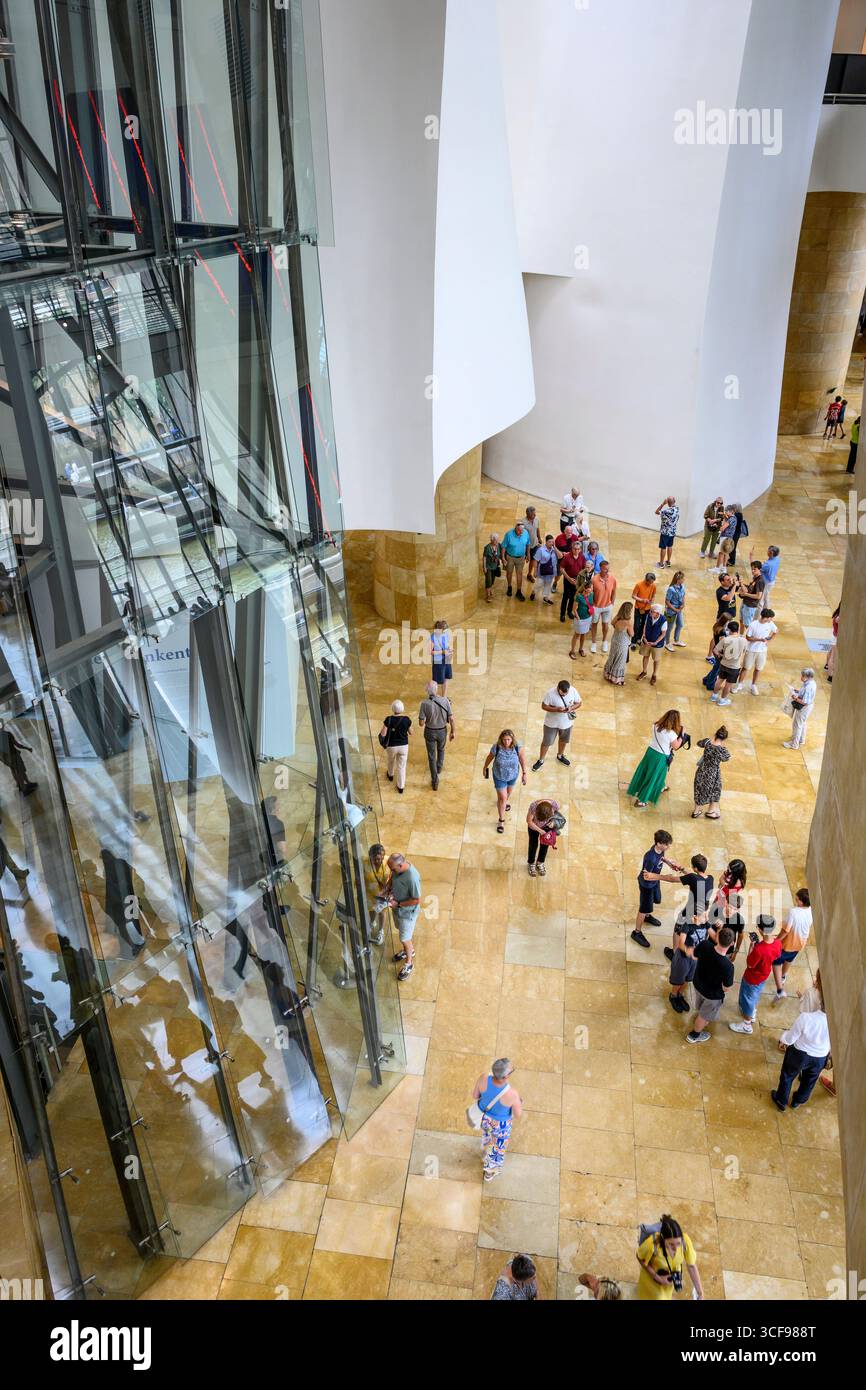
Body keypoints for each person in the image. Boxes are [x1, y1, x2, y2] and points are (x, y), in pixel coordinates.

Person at [665, 854, 714, 1013]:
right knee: (681, 976)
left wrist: (655, 876)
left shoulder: (698, 920)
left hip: (691, 913)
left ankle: (678, 994)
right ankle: (674, 995)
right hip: (687, 953)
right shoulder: (710, 879)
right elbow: (693, 876)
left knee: (687, 976)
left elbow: (677, 879)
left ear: (694, 868)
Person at [771, 1004, 831, 1111]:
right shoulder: (837, 1023)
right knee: (810, 1081)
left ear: (821, 1002)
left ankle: (781, 1100)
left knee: (788, 1075)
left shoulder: (806, 1017)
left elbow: (790, 1038)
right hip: (820, 1057)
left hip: (799, 1054)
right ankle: (798, 1101)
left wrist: (783, 1039)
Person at [631, 829, 683, 948]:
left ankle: (647, 917)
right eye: (666, 844)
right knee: (643, 908)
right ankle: (637, 932)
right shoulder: (650, 858)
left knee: (655, 900)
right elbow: (646, 875)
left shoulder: (659, 850)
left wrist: (669, 863)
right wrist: (665, 877)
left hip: (654, 883)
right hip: (647, 885)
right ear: (659, 843)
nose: (668, 846)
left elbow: (661, 858)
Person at [729, 915, 781, 1034]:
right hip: (763, 976)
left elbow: (750, 964)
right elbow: (776, 957)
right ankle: (751, 1012)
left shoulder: (759, 949)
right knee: (754, 995)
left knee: (747, 999)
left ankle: (747, 1025)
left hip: (752, 978)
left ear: (761, 930)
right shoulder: (778, 943)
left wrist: (752, 946)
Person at [473, 1058, 522, 1182]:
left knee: (488, 1136)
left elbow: (475, 1096)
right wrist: (517, 1102)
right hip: (500, 1125)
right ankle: (490, 1172)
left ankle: (485, 1152)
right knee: (497, 1148)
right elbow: (518, 1114)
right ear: (505, 1076)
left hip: (484, 1118)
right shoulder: (512, 1094)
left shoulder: (483, 1077)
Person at [636, 1215, 704, 1301]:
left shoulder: (685, 1241)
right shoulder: (652, 1244)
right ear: (663, 1239)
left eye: (678, 1243)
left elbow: (691, 1266)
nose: (675, 1248)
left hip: (668, 1284)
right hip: (652, 1285)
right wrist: (658, 1278)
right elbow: (639, 1257)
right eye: (671, 1244)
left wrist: (700, 1293)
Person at [686, 927, 735, 1042]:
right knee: (703, 1016)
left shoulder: (705, 945)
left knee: (700, 1005)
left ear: (717, 937)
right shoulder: (728, 966)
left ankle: (701, 1015)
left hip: (698, 984)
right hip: (712, 995)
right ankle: (694, 1035)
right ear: (732, 943)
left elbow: (694, 955)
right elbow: (726, 988)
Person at [627, 709, 683, 810]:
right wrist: (682, 736)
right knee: (653, 776)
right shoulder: (672, 734)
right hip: (661, 757)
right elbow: (676, 746)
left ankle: (661, 786)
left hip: (650, 752)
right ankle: (641, 800)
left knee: (646, 772)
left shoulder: (655, 725)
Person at [386, 853, 422, 981]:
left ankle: (409, 963)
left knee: (405, 938)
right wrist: (388, 887)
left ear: (400, 865)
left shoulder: (412, 877)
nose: (392, 871)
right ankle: (409, 950)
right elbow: (393, 876)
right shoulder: (398, 870)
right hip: (398, 910)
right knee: (401, 933)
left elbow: (416, 900)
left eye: (393, 869)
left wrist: (398, 904)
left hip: (407, 913)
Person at [483, 729, 527, 832]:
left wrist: (524, 773)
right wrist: (485, 767)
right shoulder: (497, 747)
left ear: (512, 740)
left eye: (508, 740)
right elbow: (489, 757)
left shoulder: (517, 747)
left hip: (513, 776)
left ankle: (502, 802)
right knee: (503, 798)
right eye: (504, 740)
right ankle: (501, 820)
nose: (506, 742)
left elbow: (522, 759)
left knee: (507, 795)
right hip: (499, 776)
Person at [532, 679, 581, 771]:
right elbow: (544, 706)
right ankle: (541, 760)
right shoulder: (550, 693)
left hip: (567, 724)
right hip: (551, 723)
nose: (565, 695)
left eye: (566, 693)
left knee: (563, 740)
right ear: (558, 688)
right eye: (562, 694)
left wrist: (571, 708)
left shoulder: (573, 691)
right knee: (546, 742)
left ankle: (560, 756)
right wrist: (556, 709)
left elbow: (579, 703)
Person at [772, 889, 812, 1000]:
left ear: (802, 902)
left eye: (797, 899)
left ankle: (780, 990)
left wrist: (777, 940)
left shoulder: (793, 912)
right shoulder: (810, 910)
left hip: (788, 944)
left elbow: (785, 930)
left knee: (776, 962)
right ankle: (783, 976)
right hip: (800, 944)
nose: (795, 899)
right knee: (789, 960)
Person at [418, 681, 455, 790]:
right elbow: (451, 718)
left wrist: (425, 718)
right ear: (437, 689)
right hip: (442, 730)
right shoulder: (445, 700)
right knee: (441, 749)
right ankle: (439, 768)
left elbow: (421, 724)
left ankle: (434, 780)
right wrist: (453, 731)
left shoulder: (424, 704)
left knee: (431, 755)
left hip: (429, 731)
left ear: (427, 692)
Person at [733, 608, 777, 696]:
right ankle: (740, 684)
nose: (771, 620)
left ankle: (753, 685)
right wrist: (760, 639)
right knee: (745, 668)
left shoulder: (770, 624)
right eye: (771, 618)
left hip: (762, 651)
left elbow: (776, 631)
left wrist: (770, 640)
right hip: (751, 650)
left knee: (758, 669)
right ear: (766, 618)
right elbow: (748, 637)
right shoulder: (753, 625)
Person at [711, 859, 748, 960]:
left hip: (725, 901)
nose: (728, 869)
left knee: (720, 920)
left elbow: (725, 888)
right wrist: (723, 883)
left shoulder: (738, 882)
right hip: (722, 897)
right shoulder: (730, 874)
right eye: (729, 867)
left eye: (730, 869)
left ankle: (718, 938)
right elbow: (721, 879)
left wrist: (723, 884)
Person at [692, 726, 731, 818]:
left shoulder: (707, 742)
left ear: (715, 734)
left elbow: (699, 743)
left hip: (702, 770)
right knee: (715, 790)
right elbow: (727, 757)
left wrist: (710, 740)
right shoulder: (721, 750)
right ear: (724, 738)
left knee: (699, 789)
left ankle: (696, 811)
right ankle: (710, 811)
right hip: (713, 773)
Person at [710, 621, 746, 706]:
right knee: (728, 684)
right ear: (737, 629)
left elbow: (715, 650)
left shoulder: (725, 640)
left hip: (724, 664)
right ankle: (722, 700)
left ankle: (714, 696)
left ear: (729, 630)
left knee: (719, 680)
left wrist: (720, 656)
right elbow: (743, 651)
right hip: (735, 666)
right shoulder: (743, 640)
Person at [379, 699, 412, 793]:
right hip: (403, 746)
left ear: (393, 708)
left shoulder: (388, 719)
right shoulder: (406, 720)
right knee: (401, 766)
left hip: (391, 746)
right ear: (402, 709)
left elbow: (383, 734)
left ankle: (390, 775)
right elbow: (411, 732)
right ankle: (401, 787)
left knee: (390, 760)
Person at [526, 798, 561, 877]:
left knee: (545, 845)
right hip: (534, 827)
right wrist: (540, 831)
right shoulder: (533, 807)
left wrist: (552, 822)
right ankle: (531, 863)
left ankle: (540, 862)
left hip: (547, 828)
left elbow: (557, 814)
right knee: (533, 845)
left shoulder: (554, 805)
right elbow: (529, 821)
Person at [784, 668, 817, 749]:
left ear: (807, 677)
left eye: (802, 676)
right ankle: (801, 740)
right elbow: (805, 694)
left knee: (797, 724)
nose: (801, 677)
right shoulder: (811, 682)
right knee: (803, 723)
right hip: (808, 706)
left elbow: (805, 701)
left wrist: (795, 698)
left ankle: (794, 744)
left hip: (804, 707)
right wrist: (797, 691)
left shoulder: (809, 687)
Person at [363, 843, 389, 947]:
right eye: (375, 859)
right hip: (370, 893)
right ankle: (372, 922)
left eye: (379, 859)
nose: (377, 861)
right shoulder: (364, 863)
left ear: (383, 856)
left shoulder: (388, 862)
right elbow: (359, 878)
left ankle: (380, 931)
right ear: (370, 857)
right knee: (372, 910)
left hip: (383, 894)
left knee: (382, 912)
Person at [589, 560, 617, 654]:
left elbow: (614, 591)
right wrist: (591, 605)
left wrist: (612, 603)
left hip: (607, 606)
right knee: (594, 624)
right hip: (596, 606)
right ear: (601, 568)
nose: (607, 570)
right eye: (605, 568)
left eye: (608, 568)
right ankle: (593, 643)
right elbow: (590, 593)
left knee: (605, 625)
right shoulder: (594, 579)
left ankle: (604, 642)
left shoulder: (612, 579)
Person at [636, 603, 668, 685]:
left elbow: (663, 634)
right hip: (647, 641)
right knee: (645, 656)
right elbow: (645, 626)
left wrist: (656, 642)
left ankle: (654, 675)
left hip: (657, 644)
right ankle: (644, 671)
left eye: (652, 611)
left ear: (658, 613)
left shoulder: (663, 620)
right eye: (650, 611)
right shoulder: (648, 616)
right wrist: (644, 637)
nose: (650, 612)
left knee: (656, 660)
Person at [604, 601, 634, 686]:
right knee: (620, 661)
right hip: (623, 644)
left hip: (615, 641)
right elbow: (632, 634)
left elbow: (612, 623)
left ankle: (608, 674)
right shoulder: (628, 623)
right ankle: (616, 679)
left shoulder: (617, 618)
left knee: (612, 657)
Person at [558, 537, 587, 623]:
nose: (576, 551)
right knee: (565, 597)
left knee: (573, 597)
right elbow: (561, 569)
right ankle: (562, 614)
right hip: (568, 579)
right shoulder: (567, 557)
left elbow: (584, 568)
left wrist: (580, 578)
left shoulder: (582, 557)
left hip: (577, 580)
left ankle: (569, 611)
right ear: (572, 548)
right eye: (575, 549)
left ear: (580, 549)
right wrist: (569, 579)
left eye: (578, 549)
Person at [569, 570, 595, 659]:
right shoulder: (579, 597)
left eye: (592, 588)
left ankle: (581, 649)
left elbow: (592, 604)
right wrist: (579, 618)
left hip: (588, 617)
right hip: (580, 618)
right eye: (590, 588)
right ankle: (572, 651)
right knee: (577, 635)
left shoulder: (592, 595)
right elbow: (574, 609)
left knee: (584, 634)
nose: (591, 589)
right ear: (585, 588)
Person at [501, 521, 531, 600]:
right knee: (509, 573)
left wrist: (528, 554)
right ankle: (509, 586)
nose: (521, 532)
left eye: (522, 530)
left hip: (521, 558)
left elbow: (528, 544)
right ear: (515, 528)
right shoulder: (508, 534)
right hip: (510, 557)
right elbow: (503, 546)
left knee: (519, 574)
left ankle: (518, 591)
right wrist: (503, 558)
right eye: (519, 530)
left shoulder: (525, 533)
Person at [735, 560, 766, 631]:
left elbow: (758, 596)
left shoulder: (760, 581)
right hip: (745, 602)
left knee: (747, 624)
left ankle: (751, 638)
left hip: (750, 606)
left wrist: (745, 594)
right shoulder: (755, 578)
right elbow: (750, 588)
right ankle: (742, 636)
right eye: (752, 569)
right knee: (741, 620)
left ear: (760, 569)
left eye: (754, 569)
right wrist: (741, 584)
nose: (752, 571)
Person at [702, 615, 730, 693]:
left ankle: (706, 679)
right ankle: (710, 684)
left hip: (715, 649)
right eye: (728, 621)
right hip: (719, 652)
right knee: (717, 669)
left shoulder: (716, 626)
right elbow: (723, 642)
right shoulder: (722, 631)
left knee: (716, 667)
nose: (729, 623)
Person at [751, 545, 781, 613]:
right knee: (766, 597)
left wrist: (751, 557)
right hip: (771, 581)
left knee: (760, 601)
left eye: (768, 551)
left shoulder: (768, 564)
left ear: (771, 553)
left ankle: (757, 618)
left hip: (766, 583)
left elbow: (757, 568)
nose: (767, 552)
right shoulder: (777, 559)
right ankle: (767, 611)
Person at [630, 572, 657, 649]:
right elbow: (633, 596)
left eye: (652, 582)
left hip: (647, 608)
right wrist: (642, 600)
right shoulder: (639, 585)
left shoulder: (653, 585)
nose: (651, 583)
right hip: (639, 608)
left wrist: (652, 600)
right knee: (636, 625)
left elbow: (654, 595)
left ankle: (639, 638)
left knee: (643, 625)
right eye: (650, 582)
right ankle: (633, 642)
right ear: (646, 580)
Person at [663, 570, 687, 650]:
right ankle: (667, 643)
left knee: (680, 624)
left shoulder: (682, 586)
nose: (684, 580)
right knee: (669, 627)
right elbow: (667, 601)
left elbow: (683, 596)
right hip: (671, 611)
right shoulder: (671, 589)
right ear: (678, 579)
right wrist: (675, 609)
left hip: (679, 610)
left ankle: (676, 640)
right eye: (683, 578)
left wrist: (683, 604)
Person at [532, 533, 558, 604]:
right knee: (539, 583)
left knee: (548, 584)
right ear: (546, 542)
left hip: (551, 571)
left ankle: (546, 597)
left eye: (552, 542)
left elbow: (560, 556)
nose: (551, 543)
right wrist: (535, 571)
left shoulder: (554, 549)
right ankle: (534, 592)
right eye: (549, 542)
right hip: (542, 571)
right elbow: (536, 560)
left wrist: (555, 548)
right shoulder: (541, 550)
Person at [655, 496, 680, 568]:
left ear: (668, 503)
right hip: (672, 532)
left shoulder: (666, 511)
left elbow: (656, 512)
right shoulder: (677, 509)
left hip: (665, 532)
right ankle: (668, 562)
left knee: (663, 547)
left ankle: (661, 564)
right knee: (670, 546)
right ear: (674, 502)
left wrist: (662, 504)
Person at [429, 619, 453, 694]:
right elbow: (430, 651)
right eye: (444, 631)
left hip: (446, 659)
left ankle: (444, 698)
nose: (445, 632)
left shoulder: (444, 635)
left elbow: (446, 645)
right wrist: (442, 652)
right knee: (436, 681)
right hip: (438, 661)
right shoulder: (432, 638)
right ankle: (434, 697)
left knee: (446, 678)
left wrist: (450, 650)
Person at [482, 533, 502, 604]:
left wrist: (504, 560)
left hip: (495, 567)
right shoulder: (487, 548)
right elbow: (484, 558)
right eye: (495, 540)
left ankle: (490, 590)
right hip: (488, 567)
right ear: (491, 540)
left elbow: (501, 554)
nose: (497, 541)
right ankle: (488, 595)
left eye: (497, 540)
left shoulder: (499, 546)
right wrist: (484, 567)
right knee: (488, 580)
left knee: (492, 580)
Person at [523, 506, 542, 583]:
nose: (535, 515)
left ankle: (529, 574)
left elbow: (537, 529)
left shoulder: (536, 519)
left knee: (533, 560)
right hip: (525, 547)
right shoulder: (523, 523)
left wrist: (539, 538)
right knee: (523, 560)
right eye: (533, 514)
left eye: (535, 513)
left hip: (534, 544)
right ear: (528, 514)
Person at [825, 605, 839, 682]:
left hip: (833, 636)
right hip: (836, 638)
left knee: (830, 652)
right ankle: (830, 676)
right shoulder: (839, 617)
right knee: (833, 657)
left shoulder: (836, 614)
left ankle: (826, 665)